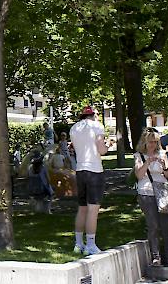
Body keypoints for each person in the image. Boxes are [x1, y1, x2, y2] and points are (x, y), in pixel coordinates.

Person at [70, 106, 109, 255]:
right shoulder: (97, 126)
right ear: (93, 115)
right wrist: (108, 146)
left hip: (80, 170)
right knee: (93, 209)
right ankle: (91, 245)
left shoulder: (74, 128)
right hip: (94, 170)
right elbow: (101, 150)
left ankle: (78, 243)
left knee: (82, 208)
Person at [134, 128, 168, 267]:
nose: (153, 145)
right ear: (145, 142)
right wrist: (147, 162)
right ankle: (156, 256)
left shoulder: (162, 154)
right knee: (153, 225)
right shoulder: (139, 155)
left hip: (162, 192)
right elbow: (139, 175)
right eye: (150, 142)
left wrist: (163, 165)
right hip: (146, 192)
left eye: (155, 142)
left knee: (166, 226)